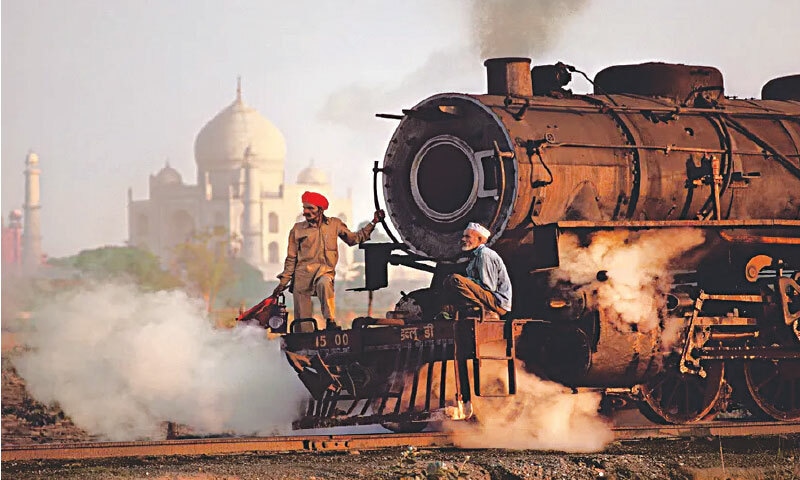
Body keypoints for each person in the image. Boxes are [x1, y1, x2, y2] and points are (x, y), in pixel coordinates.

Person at [273, 191, 385, 330]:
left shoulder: (334, 225)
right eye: (304, 208)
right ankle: (305, 346)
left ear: (320, 210)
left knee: (325, 283)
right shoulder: (297, 230)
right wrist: (283, 282)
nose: (306, 212)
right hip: (302, 279)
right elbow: (291, 258)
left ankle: (330, 322)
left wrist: (373, 222)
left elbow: (354, 239)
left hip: (323, 273)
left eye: (310, 208)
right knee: (303, 326)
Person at [443, 222, 512, 318]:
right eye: (463, 236)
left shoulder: (485, 254)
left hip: (497, 302)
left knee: (456, 280)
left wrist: (466, 281)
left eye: (467, 237)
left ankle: (486, 311)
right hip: (488, 298)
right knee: (449, 281)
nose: (463, 239)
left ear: (480, 239)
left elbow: (488, 287)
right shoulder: (474, 257)